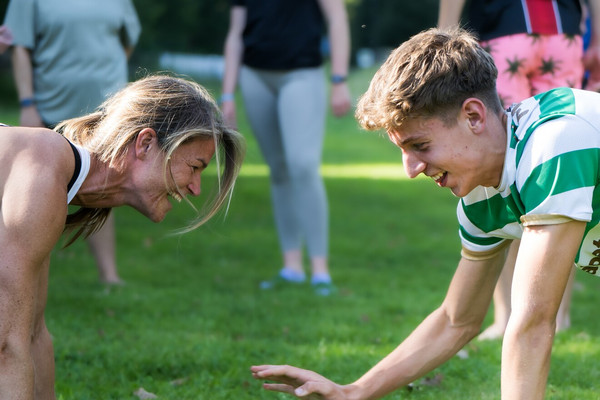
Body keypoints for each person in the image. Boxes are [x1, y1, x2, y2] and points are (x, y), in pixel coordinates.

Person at [251, 27, 600, 399]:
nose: (411, 168)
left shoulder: (554, 147)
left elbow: (532, 324)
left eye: (420, 145)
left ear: (474, 116)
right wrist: (354, 391)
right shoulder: (483, 195)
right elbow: (456, 319)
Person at [0, 74, 245, 399]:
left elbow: (33, 335)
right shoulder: (42, 167)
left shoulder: (51, 172)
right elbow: (6, 345)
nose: (196, 189)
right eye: (195, 167)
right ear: (145, 143)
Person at [437, 0, 597, 339]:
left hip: (551, 35)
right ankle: (511, 314)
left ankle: (551, 315)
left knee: (553, 182)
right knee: (505, 173)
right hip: (521, 33)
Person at [3, 0, 141, 284]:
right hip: (52, 110)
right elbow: (19, 47)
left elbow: (126, 42)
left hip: (108, 111)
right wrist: (27, 102)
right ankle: (25, 277)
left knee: (104, 187)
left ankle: (109, 275)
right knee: (38, 195)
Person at [221, 0, 352, 295]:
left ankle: (321, 271)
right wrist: (227, 94)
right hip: (254, 75)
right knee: (278, 171)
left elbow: (337, 17)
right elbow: (235, 33)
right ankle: (291, 267)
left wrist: (339, 78)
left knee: (302, 165)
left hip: (302, 73)